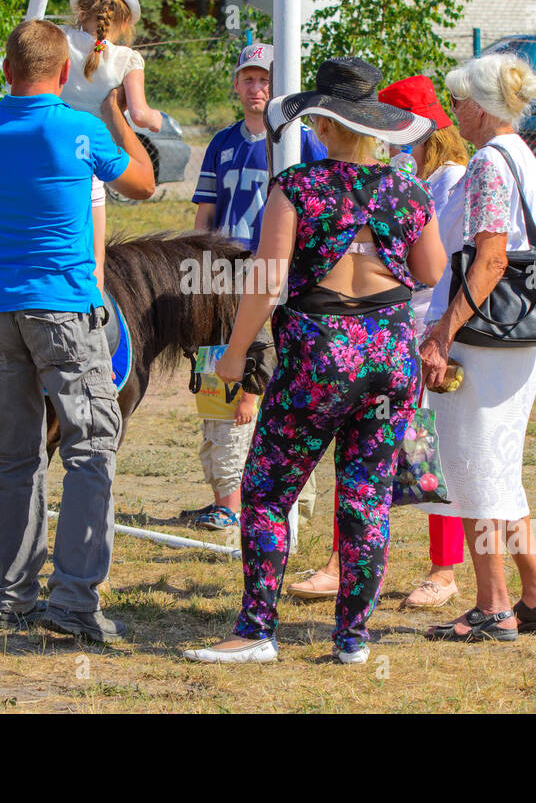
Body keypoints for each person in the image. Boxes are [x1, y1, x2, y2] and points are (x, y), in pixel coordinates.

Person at [183, 57, 446, 665]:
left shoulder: (297, 187)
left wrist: (235, 352)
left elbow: (267, 280)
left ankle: (256, 632)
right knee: (366, 498)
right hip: (390, 355)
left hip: (317, 359)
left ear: (322, 124)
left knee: (268, 491)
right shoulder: (406, 187)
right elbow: (431, 271)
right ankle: (352, 639)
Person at [0, 20, 155, 642]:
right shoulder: (80, 129)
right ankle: (73, 602)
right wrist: (112, 106)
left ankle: (14, 599)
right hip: (66, 309)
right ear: (65, 74)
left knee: (16, 458)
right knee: (91, 449)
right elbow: (144, 182)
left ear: (4, 71)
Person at [286, 75, 471, 610]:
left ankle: (444, 570)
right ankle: (344, 565)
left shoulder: (445, 180)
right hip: (392, 333)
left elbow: (442, 267)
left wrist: (439, 335)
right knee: (375, 456)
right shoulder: (406, 176)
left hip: (423, 330)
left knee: (429, 452)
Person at [419, 52, 536, 642]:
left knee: (473, 470)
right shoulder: (527, 158)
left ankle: (493, 605)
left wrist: (444, 330)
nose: (453, 110)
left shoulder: (486, 163)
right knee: (498, 466)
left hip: (484, 334)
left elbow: (490, 258)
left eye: (459, 100)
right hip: (522, 333)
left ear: (482, 109)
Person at [186, 42, 328, 533]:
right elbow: (205, 212)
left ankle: (290, 492)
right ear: (235, 84)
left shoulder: (304, 142)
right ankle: (226, 494)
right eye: (248, 78)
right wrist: (200, 265)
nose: (256, 88)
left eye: (265, 79)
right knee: (219, 365)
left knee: (277, 373)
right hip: (225, 272)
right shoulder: (222, 143)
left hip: (281, 273)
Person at [61, 0, 162, 298]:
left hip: (48, 155)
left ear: (81, 10)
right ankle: (93, 314)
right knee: (94, 262)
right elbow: (140, 114)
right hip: (89, 166)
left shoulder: (58, 39)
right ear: (127, 20)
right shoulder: (127, 59)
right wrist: (157, 119)